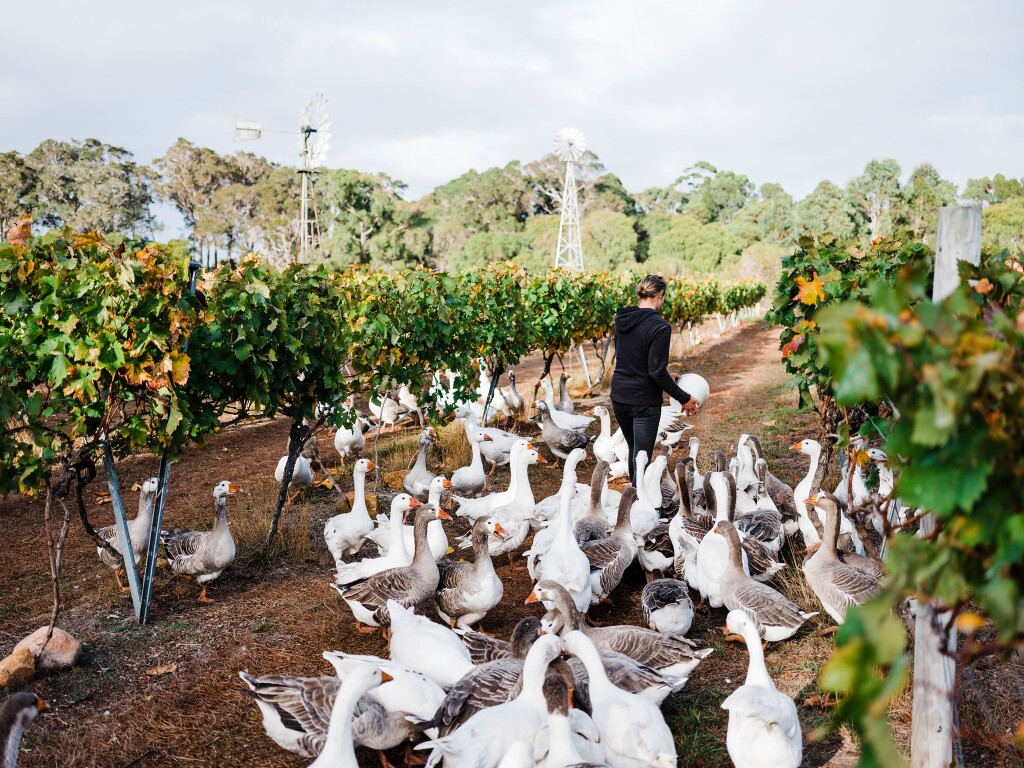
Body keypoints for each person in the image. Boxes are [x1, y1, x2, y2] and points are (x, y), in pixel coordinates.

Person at [611, 274, 700, 485]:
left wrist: (667, 376)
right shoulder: (659, 326)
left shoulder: (622, 321)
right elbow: (655, 372)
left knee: (635, 450)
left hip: (619, 395)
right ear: (660, 295)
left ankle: (636, 498)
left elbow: (633, 360)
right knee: (641, 456)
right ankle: (643, 504)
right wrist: (684, 397)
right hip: (643, 401)